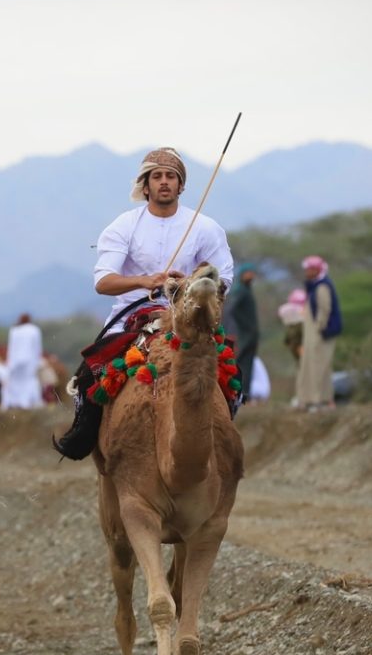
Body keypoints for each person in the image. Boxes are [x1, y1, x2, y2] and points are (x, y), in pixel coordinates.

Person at [53, 146, 235, 459]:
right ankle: (87, 439)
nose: (164, 181)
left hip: (184, 316)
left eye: (171, 176)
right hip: (132, 316)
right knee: (90, 375)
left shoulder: (206, 228)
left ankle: (225, 441)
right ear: (145, 185)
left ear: (181, 185)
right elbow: (103, 281)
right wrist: (145, 281)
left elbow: (224, 279)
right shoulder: (124, 226)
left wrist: (190, 281)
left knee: (230, 372)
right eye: (157, 176)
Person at [297, 255, 341, 411]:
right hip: (313, 334)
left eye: (309, 269)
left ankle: (319, 399)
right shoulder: (314, 286)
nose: (306, 272)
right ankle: (308, 399)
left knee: (319, 367)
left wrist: (319, 329)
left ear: (317, 270)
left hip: (320, 334)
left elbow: (324, 310)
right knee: (310, 366)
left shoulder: (323, 286)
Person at [222, 262, 261, 403]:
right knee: (238, 364)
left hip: (250, 335)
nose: (251, 275)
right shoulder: (240, 291)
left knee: (247, 364)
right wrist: (242, 327)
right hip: (241, 334)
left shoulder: (247, 290)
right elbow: (232, 310)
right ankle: (236, 393)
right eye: (248, 273)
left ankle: (245, 394)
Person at [1, 313, 44, 410]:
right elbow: (37, 346)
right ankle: (27, 402)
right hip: (30, 359)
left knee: (14, 381)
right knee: (29, 380)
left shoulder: (14, 330)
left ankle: (13, 402)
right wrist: (38, 360)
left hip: (15, 360)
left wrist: (9, 361)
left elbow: (11, 347)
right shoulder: (34, 329)